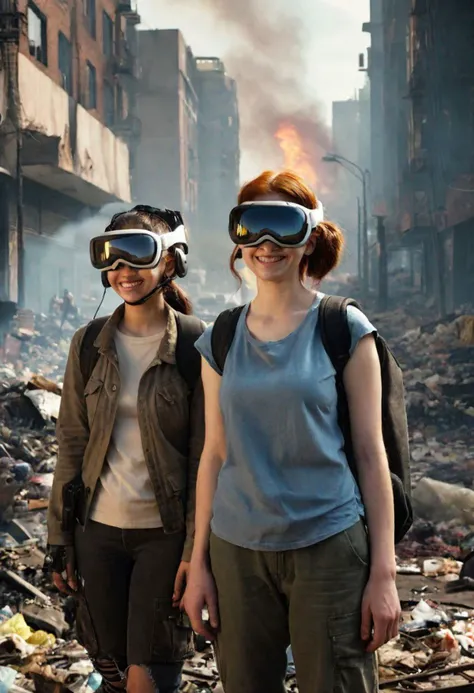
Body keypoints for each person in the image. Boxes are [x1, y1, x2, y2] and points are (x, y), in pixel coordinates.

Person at [183, 171, 401, 693]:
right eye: (251, 226)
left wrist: (384, 574)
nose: (267, 244)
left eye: (283, 225)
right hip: (237, 551)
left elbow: (373, 457)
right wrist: (198, 565)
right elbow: (214, 455)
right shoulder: (221, 338)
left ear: (310, 234)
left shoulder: (343, 328)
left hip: (328, 545)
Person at [46, 206, 205, 693]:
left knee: (150, 679)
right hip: (96, 534)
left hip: (164, 537)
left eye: (137, 255)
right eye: (112, 258)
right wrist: (60, 541)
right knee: (111, 671)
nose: (123, 272)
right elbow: (72, 440)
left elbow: (206, 456)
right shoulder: (89, 343)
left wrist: (196, 551)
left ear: (172, 261)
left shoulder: (197, 344)